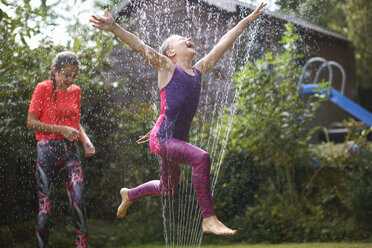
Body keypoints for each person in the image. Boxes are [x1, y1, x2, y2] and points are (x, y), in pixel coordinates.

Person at [90, 2, 266, 236]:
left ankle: (129, 194)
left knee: (168, 187)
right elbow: (141, 46)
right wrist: (115, 28)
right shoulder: (167, 67)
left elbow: (224, 42)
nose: (188, 37)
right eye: (181, 38)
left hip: (175, 142)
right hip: (162, 139)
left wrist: (246, 21)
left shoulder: (199, 70)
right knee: (201, 158)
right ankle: (209, 219)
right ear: (171, 53)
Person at [27, 51, 96, 248]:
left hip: (70, 152)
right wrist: (61, 130)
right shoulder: (43, 88)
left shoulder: (76, 91)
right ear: (55, 71)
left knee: (79, 198)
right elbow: (31, 122)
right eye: (67, 75)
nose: (71, 79)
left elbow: (75, 122)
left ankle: (82, 245)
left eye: (75, 75)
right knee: (46, 207)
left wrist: (86, 141)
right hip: (46, 151)